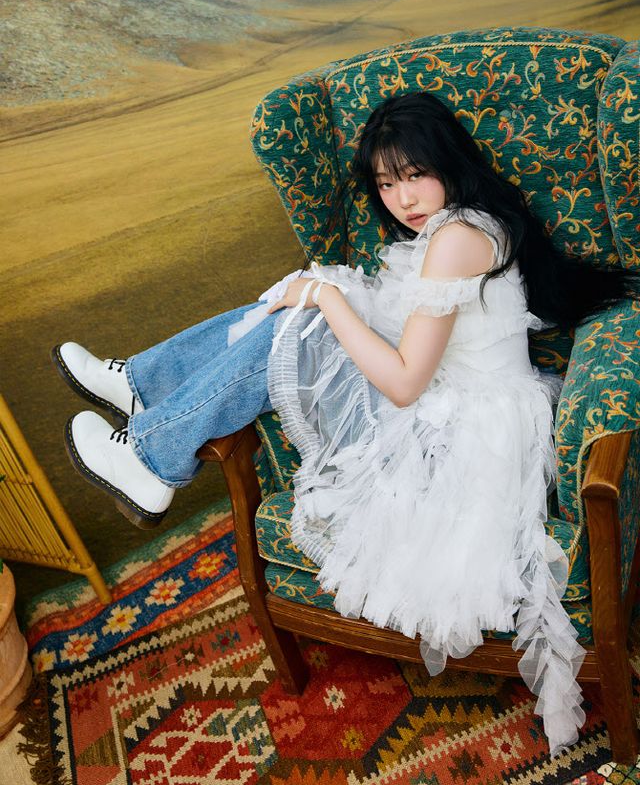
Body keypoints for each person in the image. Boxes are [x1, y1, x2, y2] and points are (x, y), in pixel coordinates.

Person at [52, 91, 638, 758]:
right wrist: (324, 293)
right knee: (302, 301)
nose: (403, 199)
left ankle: (153, 451)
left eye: (415, 174)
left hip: (453, 440)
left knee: (308, 314)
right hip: (459, 404)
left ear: (449, 163)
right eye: (386, 183)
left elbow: (405, 382)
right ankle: (141, 391)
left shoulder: (455, 240)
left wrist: (329, 299)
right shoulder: (470, 222)